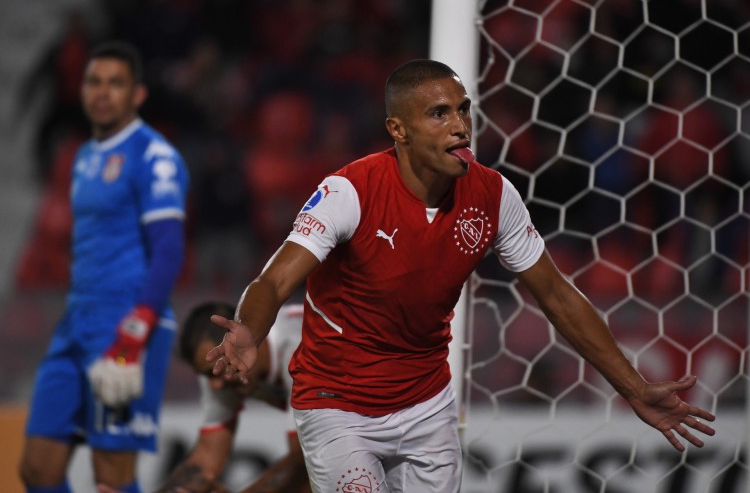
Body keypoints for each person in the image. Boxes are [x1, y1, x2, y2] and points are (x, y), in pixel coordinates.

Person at [205, 59, 716, 493]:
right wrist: (251, 329)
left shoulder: (493, 196)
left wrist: (632, 386)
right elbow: (274, 279)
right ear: (398, 130)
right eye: (439, 113)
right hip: (339, 403)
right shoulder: (350, 191)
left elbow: (557, 296)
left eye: (464, 109)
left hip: (426, 404)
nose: (461, 126)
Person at [19, 40, 190, 493]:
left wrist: (135, 330)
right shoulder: (82, 157)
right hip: (76, 323)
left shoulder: (155, 157)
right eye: (94, 81)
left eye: (116, 83)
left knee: (111, 477)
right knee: (37, 469)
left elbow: (169, 250)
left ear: (137, 94)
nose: (102, 92)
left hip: (126, 322)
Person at [157, 301, 310, 493]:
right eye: (207, 376)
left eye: (214, 375)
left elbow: (304, 461)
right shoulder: (220, 366)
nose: (216, 385)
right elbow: (205, 464)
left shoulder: (299, 349)